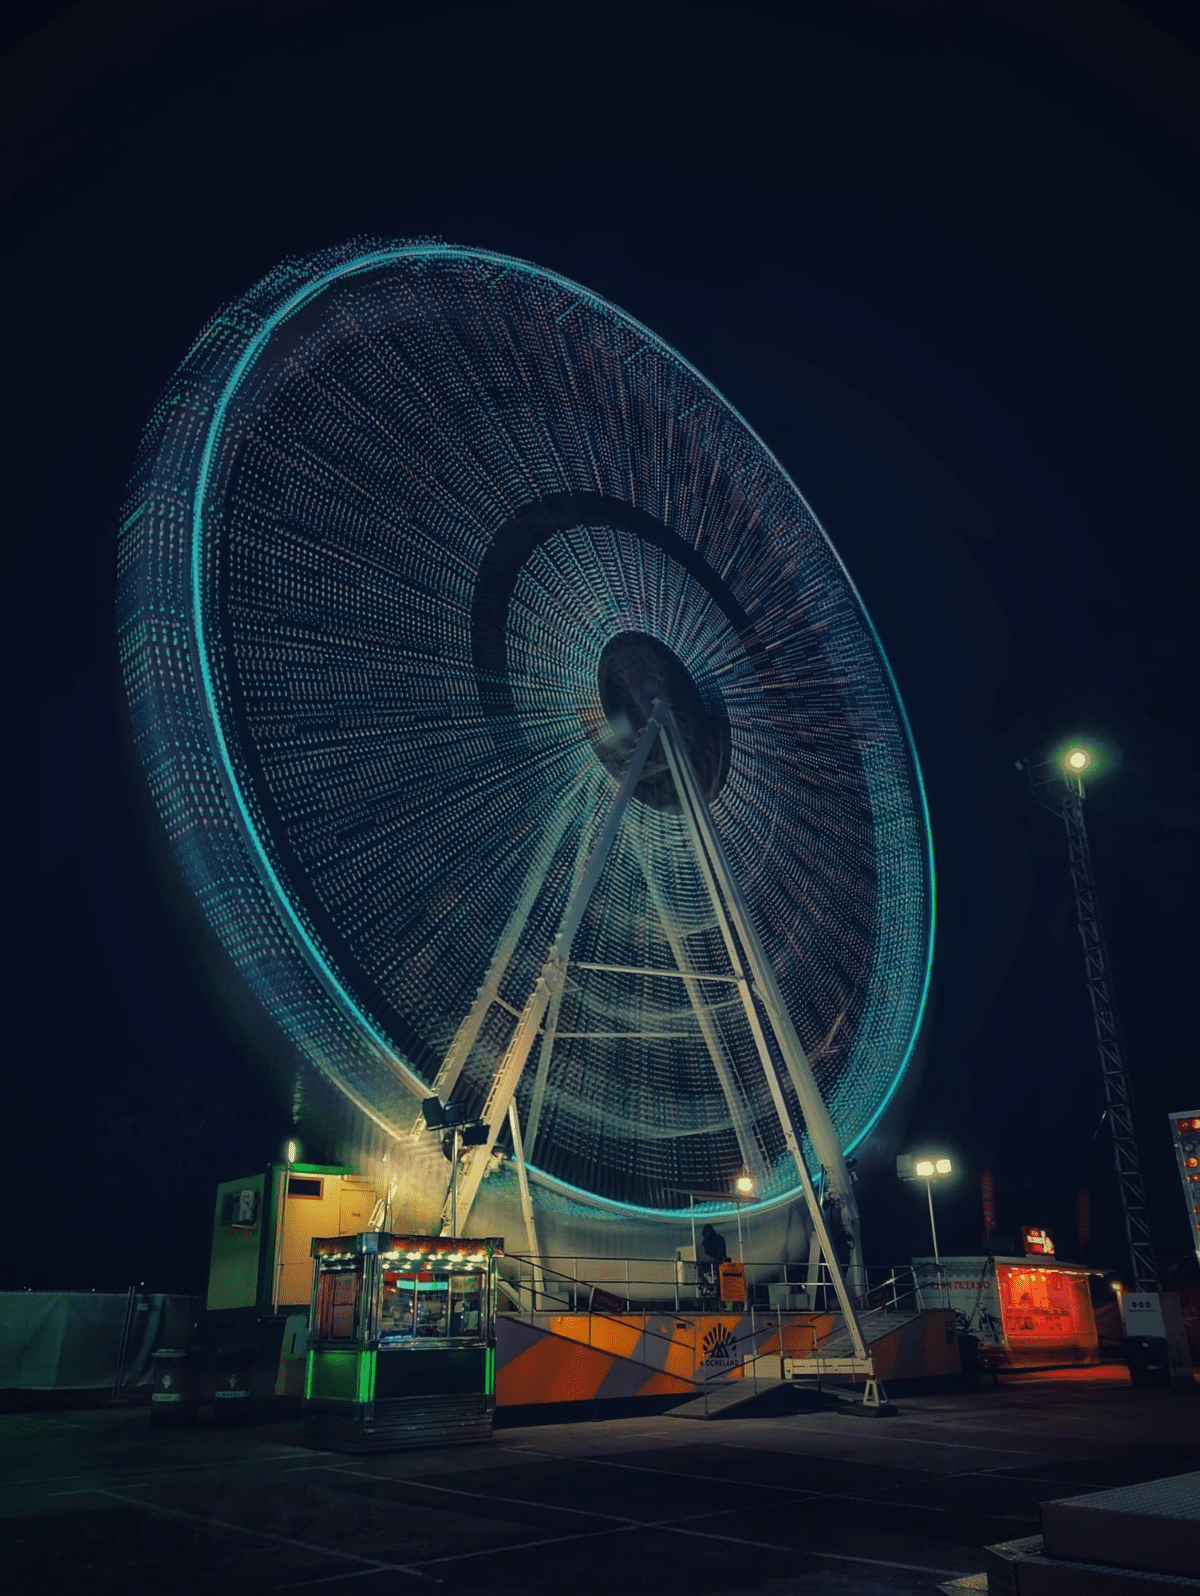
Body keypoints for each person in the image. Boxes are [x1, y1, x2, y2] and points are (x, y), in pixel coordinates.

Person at [698, 1223, 727, 1299]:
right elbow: (703, 1253)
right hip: (708, 1262)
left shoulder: (718, 1239)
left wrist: (717, 1259)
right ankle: (708, 1285)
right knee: (698, 1270)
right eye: (705, 1233)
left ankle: (719, 1292)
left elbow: (721, 1251)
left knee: (719, 1278)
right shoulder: (704, 1242)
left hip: (719, 1263)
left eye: (708, 1232)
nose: (707, 1234)